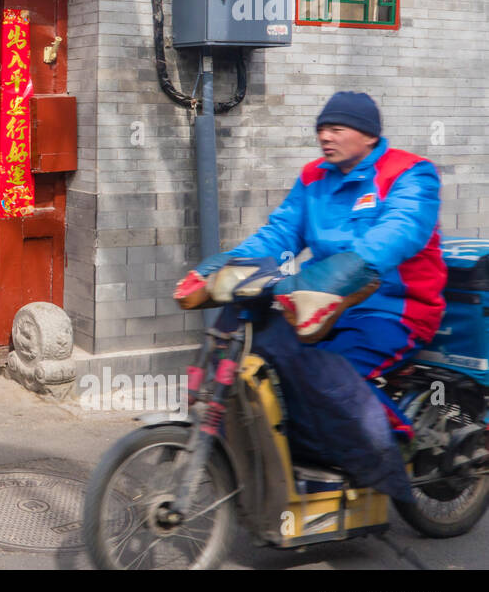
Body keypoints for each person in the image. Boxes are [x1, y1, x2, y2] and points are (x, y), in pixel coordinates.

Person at [177, 92, 447, 497]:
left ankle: (396, 443)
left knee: (325, 372)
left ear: (369, 136)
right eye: (321, 128)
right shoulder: (313, 177)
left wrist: (336, 275)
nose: (325, 136)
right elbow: (280, 235)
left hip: (393, 309)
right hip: (319, 304)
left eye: (336, 129)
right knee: (264, 353)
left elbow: (396, 234)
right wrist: (219, 268)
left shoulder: (411, 175)